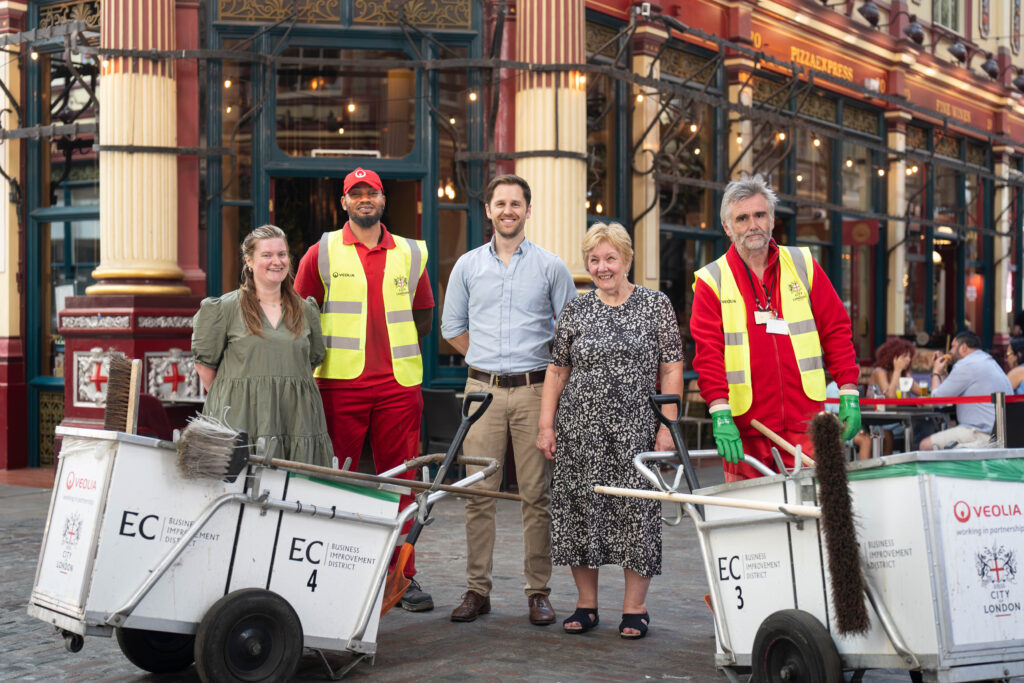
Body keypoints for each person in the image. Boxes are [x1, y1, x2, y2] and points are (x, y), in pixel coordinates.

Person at [294, 167, 435, 612]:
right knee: (337, 480)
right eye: (355, 194)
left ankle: (401, 575)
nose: (364, 199)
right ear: (344, 203)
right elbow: (302, 316)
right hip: (339, 384)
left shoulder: (411, 253)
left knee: (403, 483)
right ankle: (338, 571)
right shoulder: (322, 252)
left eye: (370, 192)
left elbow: (424, 317)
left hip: (398, 385)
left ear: (382, 198)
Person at [537, 222, 683, 640]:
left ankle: (635, 608)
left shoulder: (656, 305)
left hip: (637, 430)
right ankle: (586, 605)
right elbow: (557, 369)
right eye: (594, 260)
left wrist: (668, 427)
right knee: (580, 512)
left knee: (637, 514)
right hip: (580, 431)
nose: (602, 267)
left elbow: (671, 367)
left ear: (627, 260)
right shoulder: (577, 309)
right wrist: (547, 424)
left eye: (610, 259)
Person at [441, 174, 576, 626]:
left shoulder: (551, 266)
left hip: (536, 392)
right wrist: (486, 361)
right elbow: (451, 327)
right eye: (500, 203)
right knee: (479, 494)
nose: (508, 211)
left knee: (537, 496)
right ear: (489, 210)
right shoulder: (467, 266)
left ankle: (538, 592)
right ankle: (477, 590)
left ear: (528, 210)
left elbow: (570, 334)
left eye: (516, 203)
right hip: (482, 392)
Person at [690, 176, 861, 481]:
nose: (752, 224)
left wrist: (848, 390)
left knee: (812, 520)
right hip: (745, 430)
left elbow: (835, 328)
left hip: (805, 426)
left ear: (771, 219)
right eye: (742, 218)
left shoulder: (804, 263)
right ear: (728, 228)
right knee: (753, 524)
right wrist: (719, 411)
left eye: (759, 215)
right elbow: (708, 354)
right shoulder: (711, 280)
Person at [192, 224, 333, 467]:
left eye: (281, 254)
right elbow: (205, 367)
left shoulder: (306, 310)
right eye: (266, 255)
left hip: (296, 420)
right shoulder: (223, 309)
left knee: (296, 494)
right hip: (240, 418)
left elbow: (308, 363)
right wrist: (237, 398)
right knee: (237, 491)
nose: (276, 261)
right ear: (248, 260)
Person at [921, 331, 1012, 449]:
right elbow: (950, 393)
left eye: (953, 347)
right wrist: (943, 372)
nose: (950, 352)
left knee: (925, 445)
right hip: (1001, 433)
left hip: (981, 433)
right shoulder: (987, 360)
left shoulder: (966, 365)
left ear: (963, 347)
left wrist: (936, 372)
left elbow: (937, 400)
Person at [868, 338, 924, 454]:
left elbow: (925, 393)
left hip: (895, 421)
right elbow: (891, 400)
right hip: (875, 420)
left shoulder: (904, 376)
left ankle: (911, 462)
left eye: (909, 356)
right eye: (904, 356)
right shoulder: (879, 372)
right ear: (893, 356)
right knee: (891, 433)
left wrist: (939, 373)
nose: (908, 360)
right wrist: (897, 371)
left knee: (921, 426)